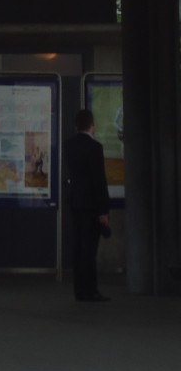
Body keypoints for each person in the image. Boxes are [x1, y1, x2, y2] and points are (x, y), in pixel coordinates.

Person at [62, 108, 112, 302]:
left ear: (76, 126)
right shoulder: (95, 148)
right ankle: (91, 290)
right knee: (90, 249)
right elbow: (98, 181)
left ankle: (79, 290)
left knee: (78, 246)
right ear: (92, 125)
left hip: (75, 202)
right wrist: (103, 211)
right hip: (92, 205)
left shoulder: (69, 145)